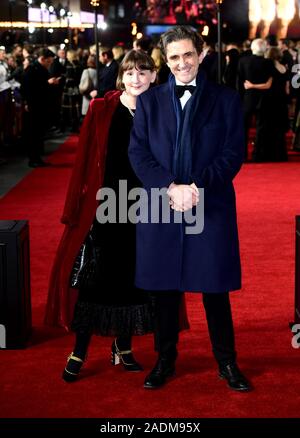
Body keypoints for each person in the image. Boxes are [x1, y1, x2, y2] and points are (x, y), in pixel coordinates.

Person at [44, 49, 189, 382]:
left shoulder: (163, 111)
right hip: (106, 205)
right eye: (129, 73)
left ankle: (123, 346)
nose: (135, 79)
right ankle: (79, 349)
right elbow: (82, 162)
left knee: (134, 280)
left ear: (154, 76)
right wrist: (75, 208)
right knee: (96, 278)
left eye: (142, 72)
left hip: (147, 207)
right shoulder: (101, 109)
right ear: (121, 77)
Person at [129, 26, 251, 392]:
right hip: (161, 204)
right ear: (165, 62)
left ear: (201, 54)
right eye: (173, 58)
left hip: (209, 202)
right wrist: (170, 186)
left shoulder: (226, 99)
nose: (181, 63)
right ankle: (165, 360)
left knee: (214, 286)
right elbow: (138, 153)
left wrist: (196, 185)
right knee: (164, 288)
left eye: (187, 55)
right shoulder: (148, 101)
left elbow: (233, 153)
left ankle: (227, 362)